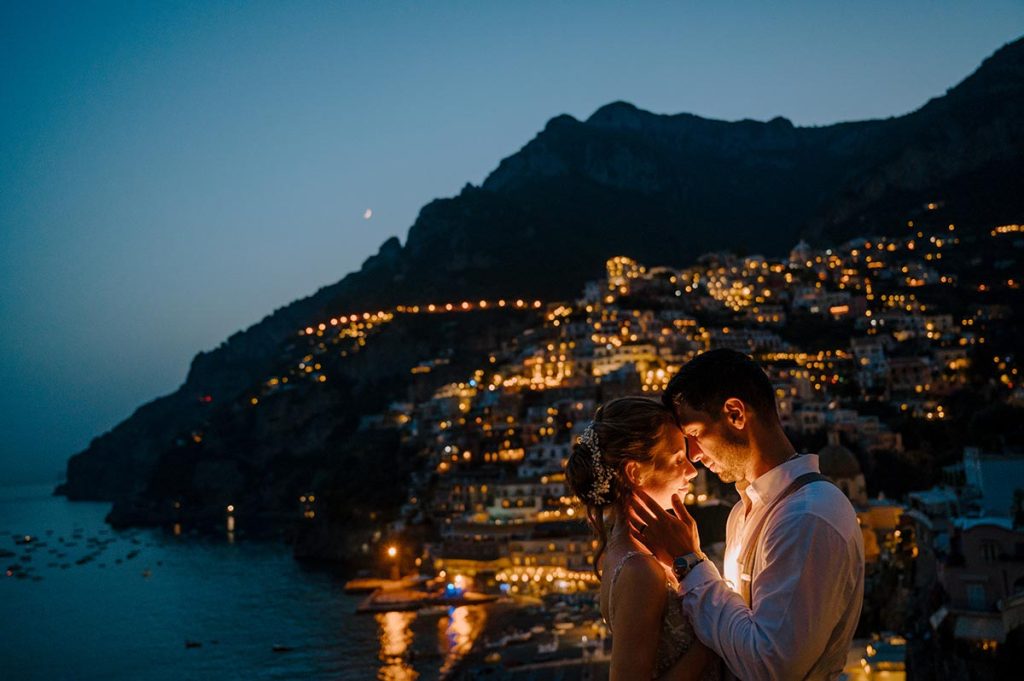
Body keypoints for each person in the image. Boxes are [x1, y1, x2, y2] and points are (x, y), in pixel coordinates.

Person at [628, 349, 865, 680]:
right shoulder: (743, 513)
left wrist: (689, 565)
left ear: (736, 414)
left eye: (694, 434)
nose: (692, 456)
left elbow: (771, 667)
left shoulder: (808, 517)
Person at [566, 396, 720, 681]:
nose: (691, 470)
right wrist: (715, 638)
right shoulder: (640, 570)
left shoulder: (624, 549)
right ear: (635, 472)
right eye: (678, 458)